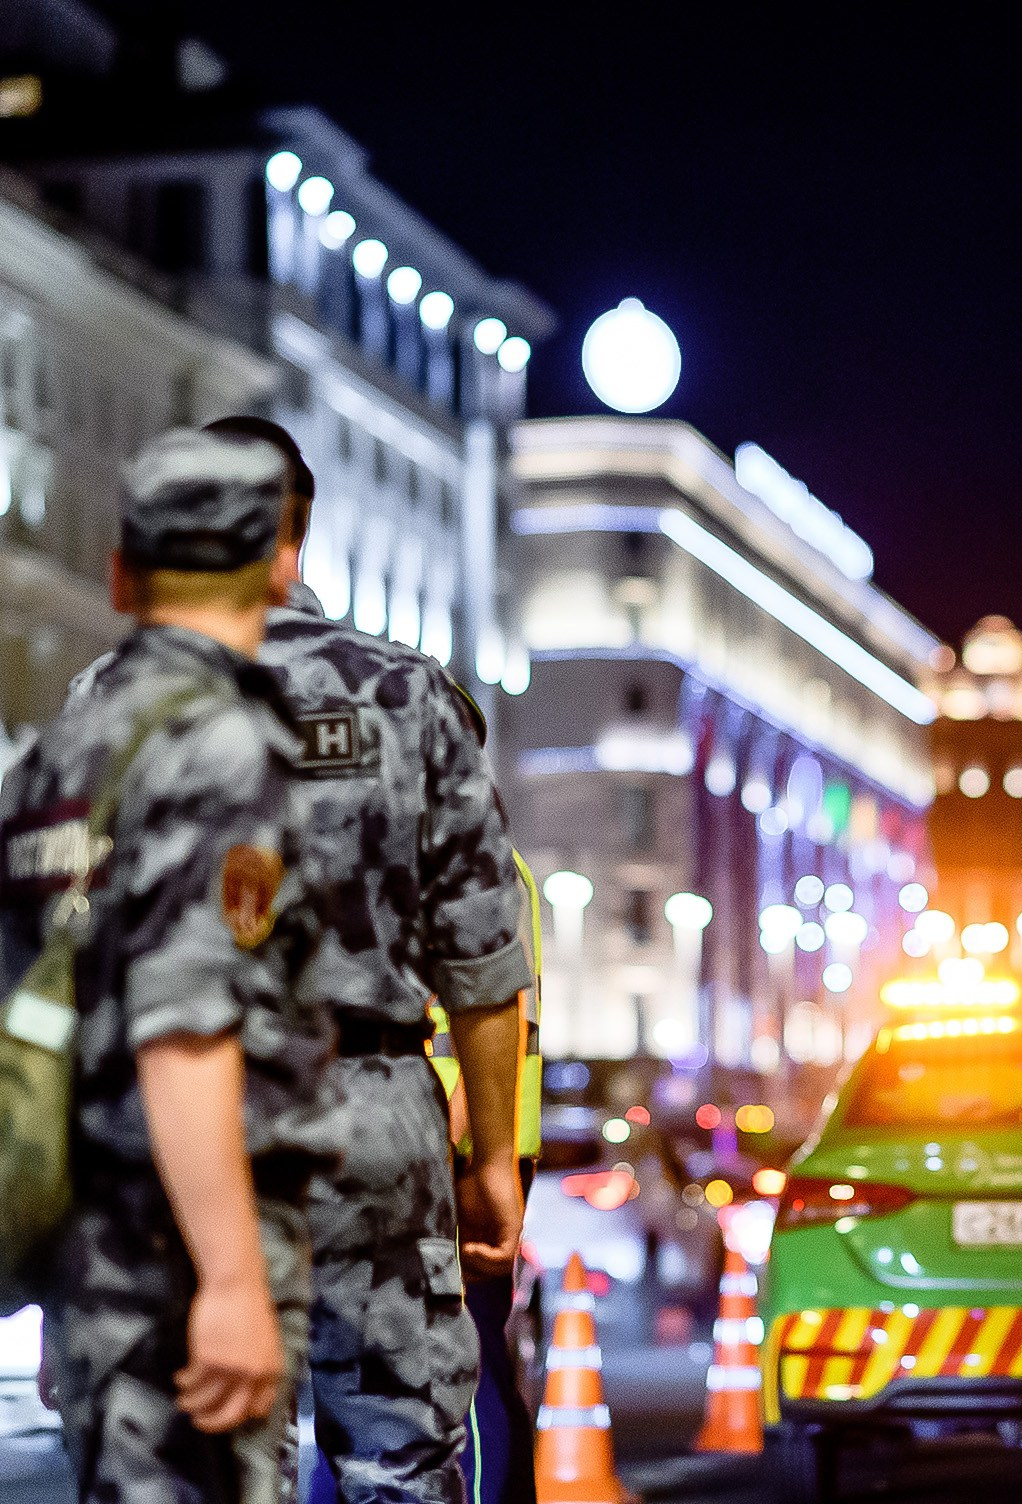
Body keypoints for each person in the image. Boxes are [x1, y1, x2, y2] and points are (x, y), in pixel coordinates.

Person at [0, 428, 338, 1503]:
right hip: (182, 1239)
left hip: (81, 1243)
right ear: (278, 565)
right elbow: (183, 1021)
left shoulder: (53, 755)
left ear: (120, 575)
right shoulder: (220, 743)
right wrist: (233, 1274)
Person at [207, 416, 533, 1504]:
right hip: (372, 1116)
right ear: (298, 533)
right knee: (400, 1455)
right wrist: (491, 1161)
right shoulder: (407, 696)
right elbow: (484, 957)